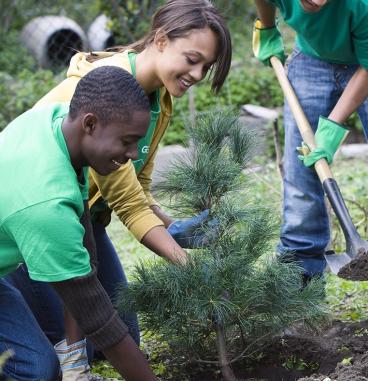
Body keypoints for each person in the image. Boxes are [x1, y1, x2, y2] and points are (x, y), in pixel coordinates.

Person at [5, 0, 232, 375]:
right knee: (58, 348)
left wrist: (172, 226)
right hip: (34, 222)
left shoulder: (157, 99)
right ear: (160, 39)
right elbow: (128, 205)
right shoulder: (97, 95)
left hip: (81, 221)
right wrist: (186, 264)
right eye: (192, 59)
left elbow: (137, 188)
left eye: (206, 67)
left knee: (119, 334)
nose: (197, 73)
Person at [252, 0, 368, 317]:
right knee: (301, 169)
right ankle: (301, 275)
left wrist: (334, 124)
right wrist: (267, 26)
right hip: (312, 55)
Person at [0, 66, 159, 380]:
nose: (131, 154)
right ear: (90, 123)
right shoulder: (45, 202)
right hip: (26, 224)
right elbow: (96, 315)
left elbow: (83, 246)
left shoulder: (56, 124)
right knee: (35, 370)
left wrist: (74, 359)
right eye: (127, 141)